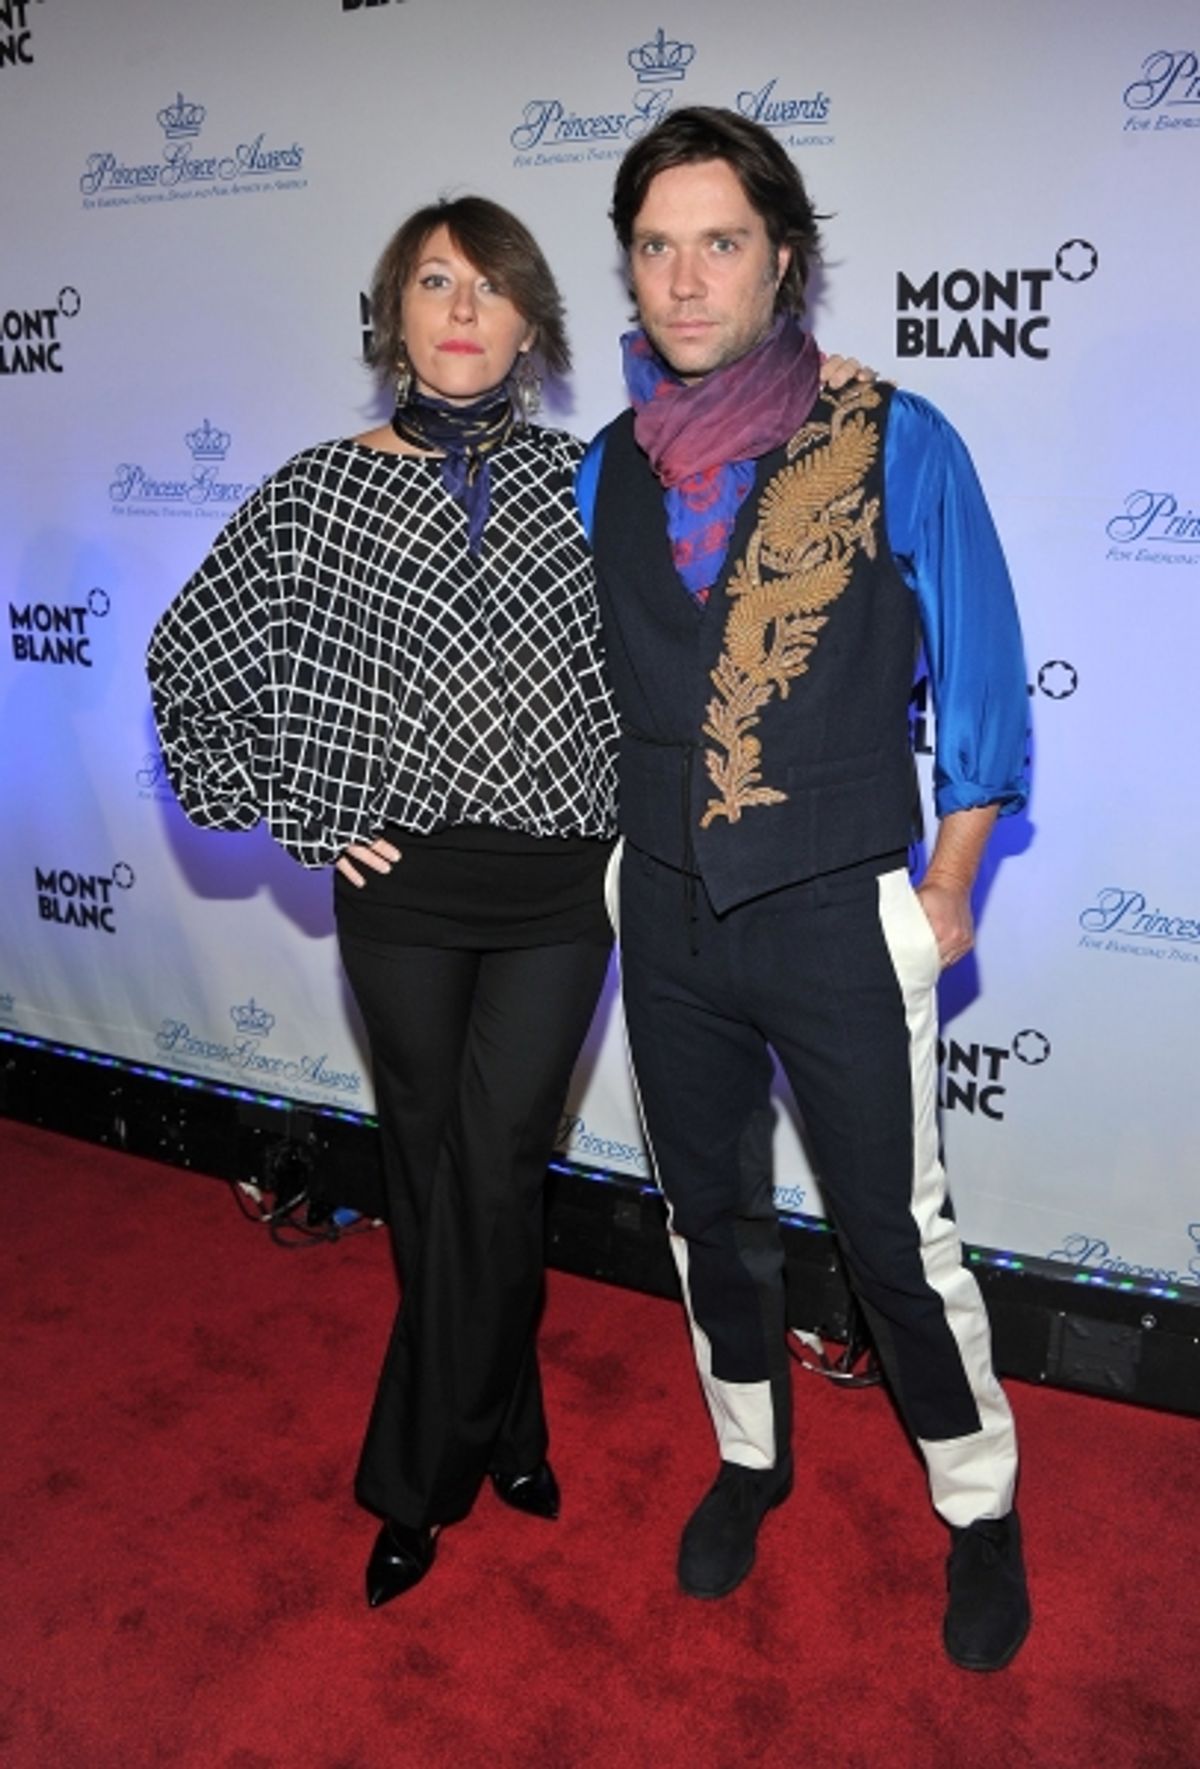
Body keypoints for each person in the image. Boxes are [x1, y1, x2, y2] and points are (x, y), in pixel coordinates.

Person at [578, 108, 1031, 1672]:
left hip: (843, 901)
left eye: (721, 241)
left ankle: (978, 1502)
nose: (687, 278)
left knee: (896, 1242)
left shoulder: (897, 434)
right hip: (673, 910)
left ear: (783, 255)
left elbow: (982, 673)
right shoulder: (602, 472)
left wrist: (951, 887)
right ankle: (752, 1455)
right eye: (656, 244)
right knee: (711, 1214)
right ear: (628, 267)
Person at [146, 197, 622, 1608]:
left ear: (531, 322)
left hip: (557, 885)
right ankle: (512, 1420)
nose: (462, 308)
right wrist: (298, 807)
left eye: (491, 286)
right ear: (391, 316)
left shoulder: (597, 480)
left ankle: (416, 1473)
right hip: (400, 885)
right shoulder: (313, 494)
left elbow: (673, 667)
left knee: (493, 1159)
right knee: (428, 1170)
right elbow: (188, 665)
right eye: (433, 280)